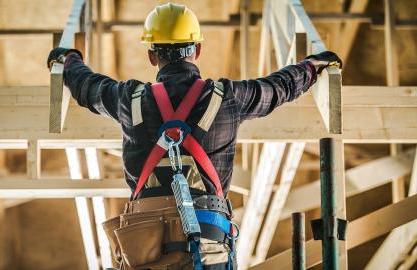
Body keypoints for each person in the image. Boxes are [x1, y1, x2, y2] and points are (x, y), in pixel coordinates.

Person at [47, 3, 342, 269]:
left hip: (144, 247)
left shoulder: (130, 99)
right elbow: (277, 88)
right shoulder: (227, 98)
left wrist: (69, 59)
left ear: (152, 55)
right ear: (197, 50)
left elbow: (87, 87)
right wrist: (312, 67)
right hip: (208, 244)